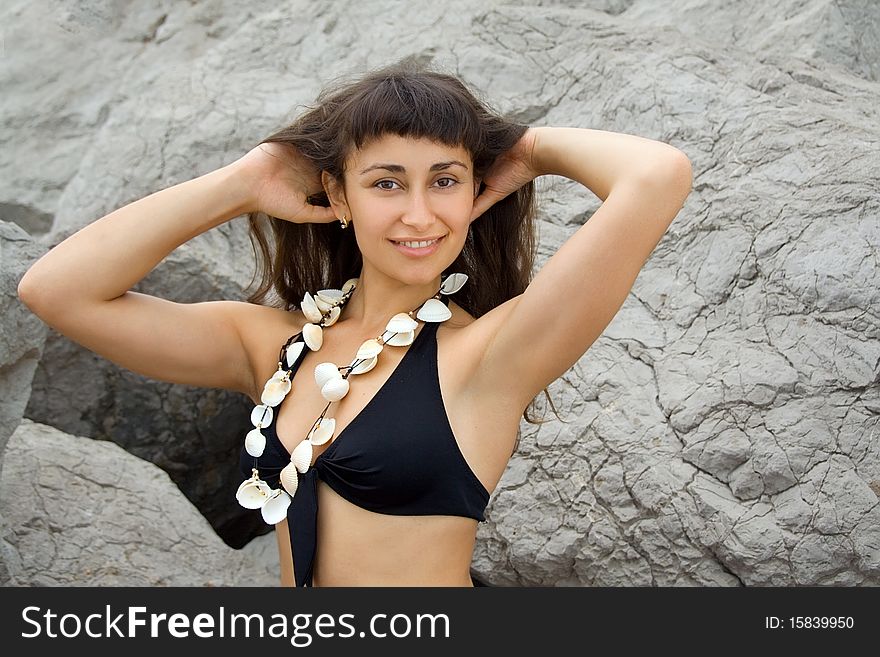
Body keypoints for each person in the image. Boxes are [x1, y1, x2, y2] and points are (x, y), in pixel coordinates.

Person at [17, 58, 692, 587]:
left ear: (476, 190)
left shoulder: (491, 356)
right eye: (387, 183)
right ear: (339, 192)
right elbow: (57, 289)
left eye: (446, 180)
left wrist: (530, 148)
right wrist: (248, 179)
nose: (420, 215)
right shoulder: (269, 347)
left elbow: (658, 175)